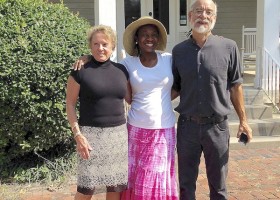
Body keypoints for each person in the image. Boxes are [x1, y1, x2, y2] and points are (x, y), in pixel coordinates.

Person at [74, 17, 178, 200]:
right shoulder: (127, 64)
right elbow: (105, 64)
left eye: (154, 35)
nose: (149, 38)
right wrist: (87, 58)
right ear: (136, 38)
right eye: (145, 35)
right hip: (135, 129)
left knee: (158, 177)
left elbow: (181, 85)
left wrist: (161, 100)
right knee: (136, 178)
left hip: (164, 128)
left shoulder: (169, 60)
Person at [171, 0, 253, 200]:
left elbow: (236, 86)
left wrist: (243, 120)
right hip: (187, 128)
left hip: (217, 128)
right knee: (186, 186)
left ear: (214, 18)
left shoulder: (229, 47)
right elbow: (175, 88)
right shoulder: (178, 51)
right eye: (198, 11)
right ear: (190, 16)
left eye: (208, 12)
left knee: (219, 187)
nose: (203, 16)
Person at [66, 25, 129, 200]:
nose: (100, 48)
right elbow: (70, 105)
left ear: (112, 46)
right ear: (90, 46)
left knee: (115, 188)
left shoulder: (122, 70)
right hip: (90, 137)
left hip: (118, 137)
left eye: (104, 44)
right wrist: (78, 135)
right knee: (86, 189)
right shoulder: (80, 71)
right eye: (96, 44)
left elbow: (131, 98)